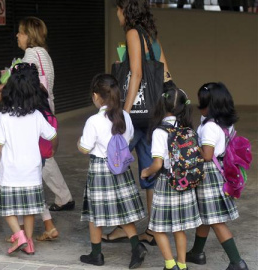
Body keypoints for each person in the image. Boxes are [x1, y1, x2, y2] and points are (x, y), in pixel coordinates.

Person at [0, 16, 72, 241]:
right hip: (45, 113)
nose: (17, 35)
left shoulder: (30, 55)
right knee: (37, 169)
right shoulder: (45, 54)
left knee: (28, 175)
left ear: (29, 34)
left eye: (20, 32)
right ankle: (43, 225)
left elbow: (25, 86)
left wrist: (7, 81)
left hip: (29, 113)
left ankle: (30, 230)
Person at [105, 0, 174, 245]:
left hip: (136, 114)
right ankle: (154, 230)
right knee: (149, 172)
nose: (117, 14)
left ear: (126, 11)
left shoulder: (133, 33)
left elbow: (136, 74)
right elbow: (166, 75)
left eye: (118, 9)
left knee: (114, 163)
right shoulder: (151, 37)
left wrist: (123, 112)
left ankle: (127, 226)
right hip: (153, 114)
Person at [77, 74, 147, 268]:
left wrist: (79, 143)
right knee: (123, 211)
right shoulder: (125, 115)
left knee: (95, 214)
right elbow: (130, 138)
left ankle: (96, 254)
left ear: (96, 96)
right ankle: (136, 246)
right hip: (120, 167)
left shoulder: (94, 120)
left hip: (101, 169)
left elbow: (84, 147)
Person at [0, 63, 58, 255]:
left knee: (6, 208)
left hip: (11, 170)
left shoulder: (4, 116)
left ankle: (18, 235)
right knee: (30, 209)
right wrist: (53, 149)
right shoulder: (36, 115)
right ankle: (28, 242)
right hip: (32, 170)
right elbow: (53, 135)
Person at [186, 83, 249, 270]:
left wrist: (186, 149)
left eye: (201, 102)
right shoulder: (225, 123)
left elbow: (206, 155)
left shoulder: (209, 127)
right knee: (207, 215)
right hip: (219, 169)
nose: (200, 106)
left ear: (210, 105)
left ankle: (237, 262)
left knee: (215, 220)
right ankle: (197, 253)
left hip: (209, 175)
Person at [141, 87, 202, 270]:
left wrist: (146, 172)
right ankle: (182, 265)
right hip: (185, 182)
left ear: (161, 105)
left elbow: (158, 164)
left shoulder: (160, 131)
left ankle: (170, 265)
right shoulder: (188, 128)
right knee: (179, 227)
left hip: (167, 182)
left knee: (158, 228)